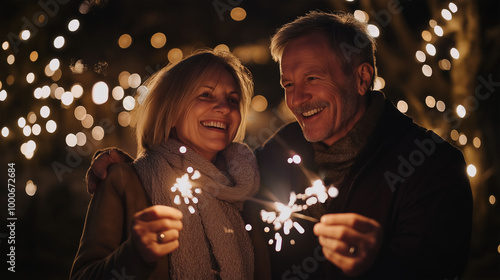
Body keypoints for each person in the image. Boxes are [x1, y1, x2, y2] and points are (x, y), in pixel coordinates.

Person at [85, 11, 473, 279]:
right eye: (289, 84)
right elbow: (195, 169)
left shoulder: (431, 166)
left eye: (313, 78)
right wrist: (120, 166)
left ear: (362, 78)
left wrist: (373, 266)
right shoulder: (277, 151)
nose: (298, 98)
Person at [71, 49, 259, 280]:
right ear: (170, 111)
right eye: (205, 95)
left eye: (232, 99)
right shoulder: (123, 182)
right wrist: (135, 254)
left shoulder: (248, 189)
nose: (224, 107)